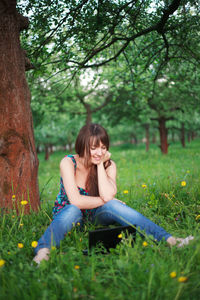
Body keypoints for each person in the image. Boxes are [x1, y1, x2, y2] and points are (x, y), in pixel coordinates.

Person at [33, 123, 194, 264]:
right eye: (94, 147)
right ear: (83, 145)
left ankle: (170, 240)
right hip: (69, 215)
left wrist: (101, 165)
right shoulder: (68, 163)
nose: (99, 152)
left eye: (103, 148)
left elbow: (108, 195)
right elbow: (76, 201)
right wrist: (105, 200)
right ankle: (43, 252)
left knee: (112, 204)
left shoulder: (109, 165)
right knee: (76, 209)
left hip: (94, 214)